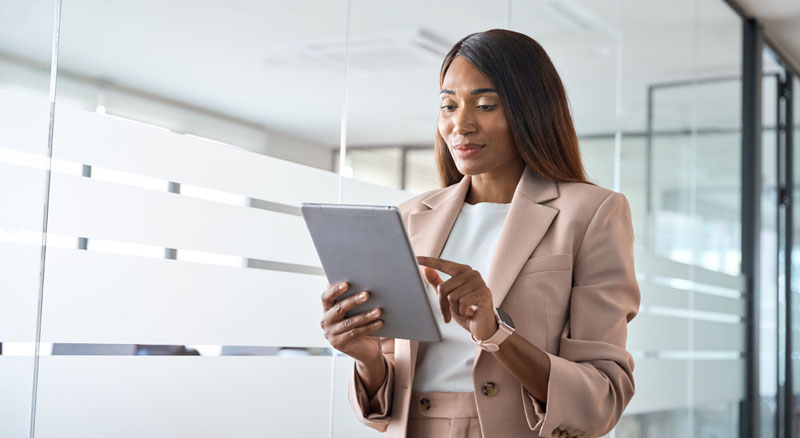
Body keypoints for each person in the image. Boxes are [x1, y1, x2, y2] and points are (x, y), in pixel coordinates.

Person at [319, 29, 640, 438]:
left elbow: (603, 396)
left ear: (531, 110)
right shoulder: (407, 218)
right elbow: (381, 407)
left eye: (485, 104)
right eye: (448, 105)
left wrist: (495, 332)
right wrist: (366, 358)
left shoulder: (591, 213)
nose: (460, 124)